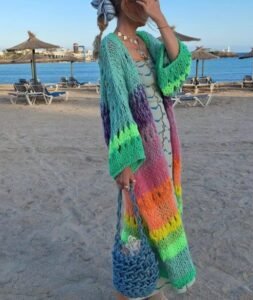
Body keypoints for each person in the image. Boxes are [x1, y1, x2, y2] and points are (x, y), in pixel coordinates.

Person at [91, 0, 197, 299]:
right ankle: (132, 290)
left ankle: (155, 284)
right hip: (137, 153)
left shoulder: (148, 41)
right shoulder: (112, 47)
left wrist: (160, 19)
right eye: (149, 1)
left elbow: (176, 74)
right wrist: (124, 161)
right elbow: (117, 106)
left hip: (164, 146)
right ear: (126, 3)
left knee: (165, 213)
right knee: (139, 220)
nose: (153, 4)